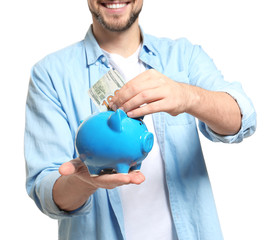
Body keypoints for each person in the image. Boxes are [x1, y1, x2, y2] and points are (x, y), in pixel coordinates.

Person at [24, 1, 256, 240]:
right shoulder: (50, 74)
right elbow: (45, 188)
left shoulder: (183, 57)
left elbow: (242, 118)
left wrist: (188, 96)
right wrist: (84, 183)